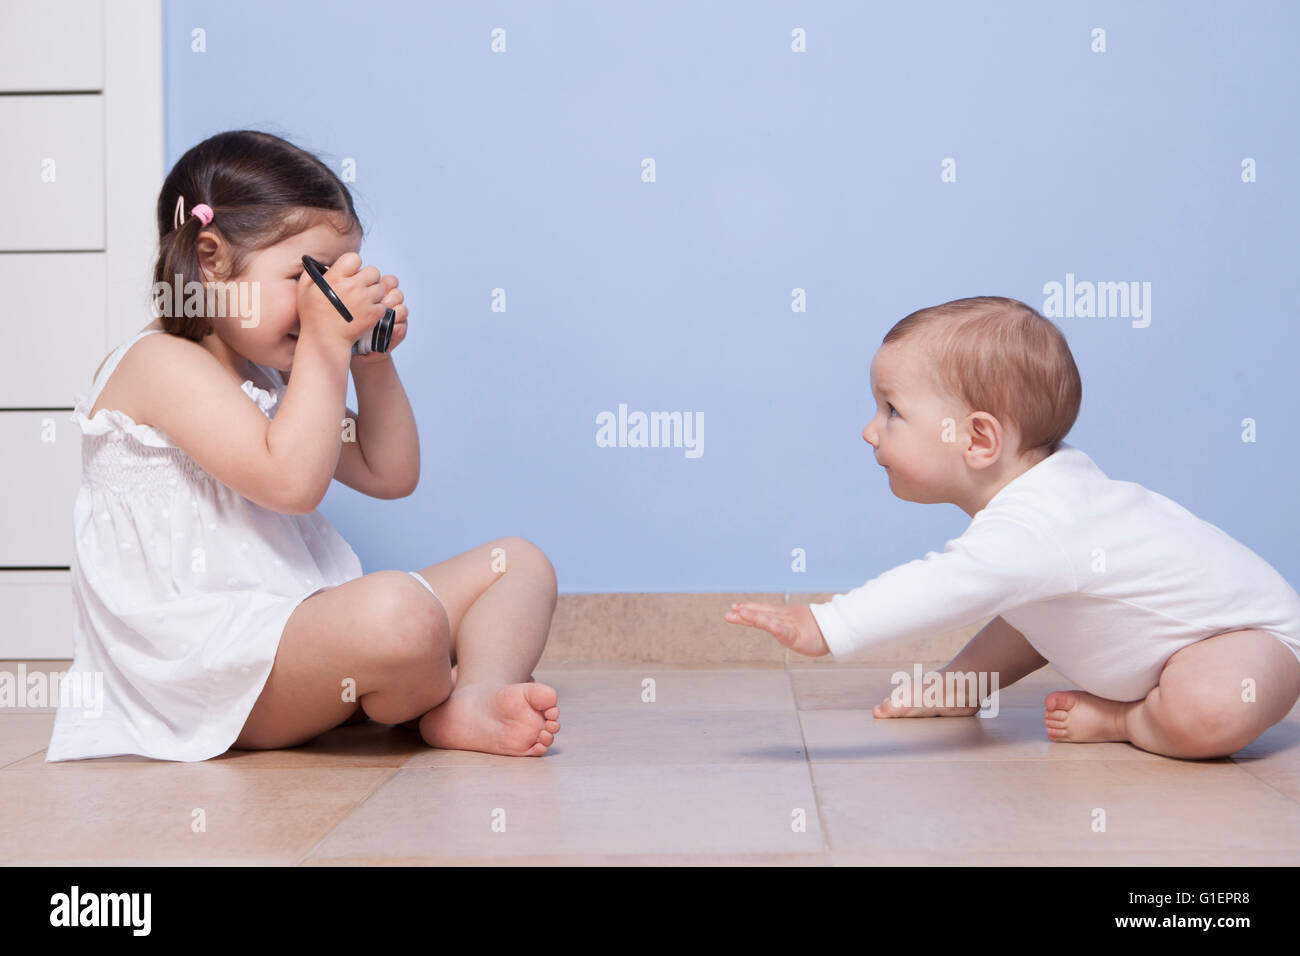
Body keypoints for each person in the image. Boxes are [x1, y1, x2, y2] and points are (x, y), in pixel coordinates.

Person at [47, 130, 560, 762]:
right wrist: (325, 345)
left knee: (519, 563)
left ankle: (474, 695)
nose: (326, 299)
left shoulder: (266, 381)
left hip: (292, 638)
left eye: (337, 278)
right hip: (216, 676)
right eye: (306, 276)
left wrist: (368, 360)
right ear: (210, 261)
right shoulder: (158, 365)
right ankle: (417, 688)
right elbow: (291, 484)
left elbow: (389, 471)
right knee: (400, 613)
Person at [725, 296, 1300, 760]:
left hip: (1253, 642)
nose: (869, 431)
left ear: (977, 440)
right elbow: (1027, 610)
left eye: (892, 411)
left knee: (1208, 708)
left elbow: (944, 585)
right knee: (1036, 599)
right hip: (1196, 644)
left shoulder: (1044, 523)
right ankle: (988, 690)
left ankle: (1127, 719)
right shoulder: (1042, 509)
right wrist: (962, 682)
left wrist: (829, 624)